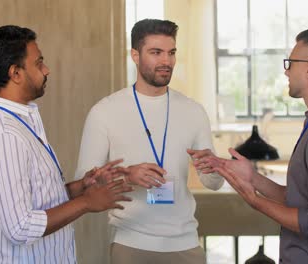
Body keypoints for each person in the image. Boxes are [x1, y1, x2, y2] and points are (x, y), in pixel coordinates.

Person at [195, 26, 308, 264]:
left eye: (290, 63)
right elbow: (301, 200)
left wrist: (255, 200)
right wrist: (253, 178)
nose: (286, 72)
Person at [0, 25, 133, 263]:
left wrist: (81, 187)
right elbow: (20, 227)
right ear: (15, 73)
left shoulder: (19, 120)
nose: (46, 70)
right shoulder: (4, 135)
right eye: (38, 63)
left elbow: (35, 201)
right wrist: (87, 202)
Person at [75, 19, 224, 264]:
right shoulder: (104, 112)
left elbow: (213, 184)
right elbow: (84, 182)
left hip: (186, 244)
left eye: (171, 53)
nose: (166, 61)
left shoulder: (193, 111)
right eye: (156, 52)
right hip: (130, 244)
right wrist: (126, 177)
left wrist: (213, 168)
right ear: (135, 55)